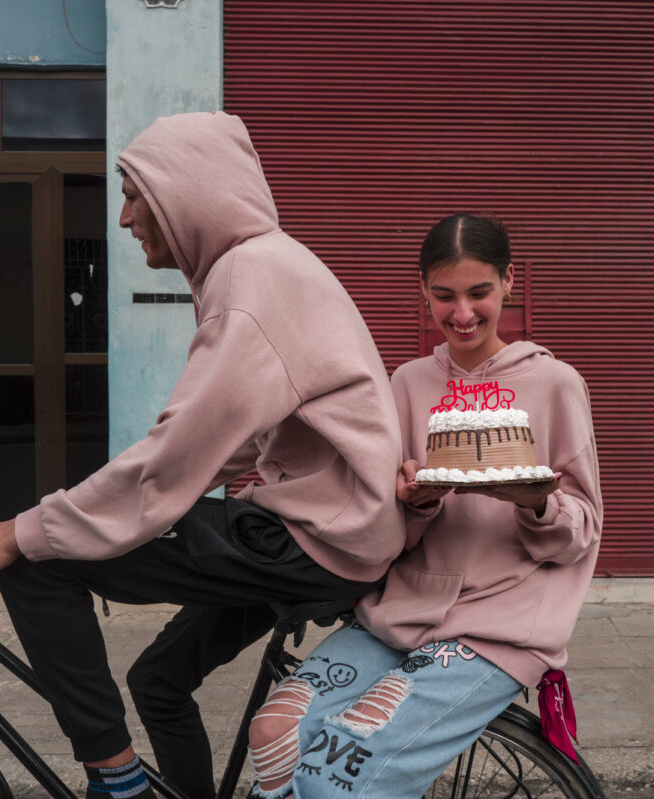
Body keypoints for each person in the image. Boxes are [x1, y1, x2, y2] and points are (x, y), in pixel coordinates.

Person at [0, 112, 407, 799]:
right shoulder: (255, 269)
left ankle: (117, 780)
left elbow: (173, 457)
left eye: (134, 193)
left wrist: (17, 531)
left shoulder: (252, 284)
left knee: (39, 560)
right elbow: (226, 442)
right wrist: (148, 497)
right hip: (330, 533)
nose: (124, 217)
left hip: (312, 539)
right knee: (156, 682)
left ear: (186, 194)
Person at [245, 213, 603, 798]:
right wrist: (412, 505)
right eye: (444, 296)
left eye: (479, 292)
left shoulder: (556, 383)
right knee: (274, 728)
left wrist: (538, 506)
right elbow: (380, 521)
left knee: (335, 779)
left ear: (509, 281)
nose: (462, 313)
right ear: (423, 291)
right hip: (399, 612)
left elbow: (584, 529)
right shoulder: (406, 383)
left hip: (497, 625)